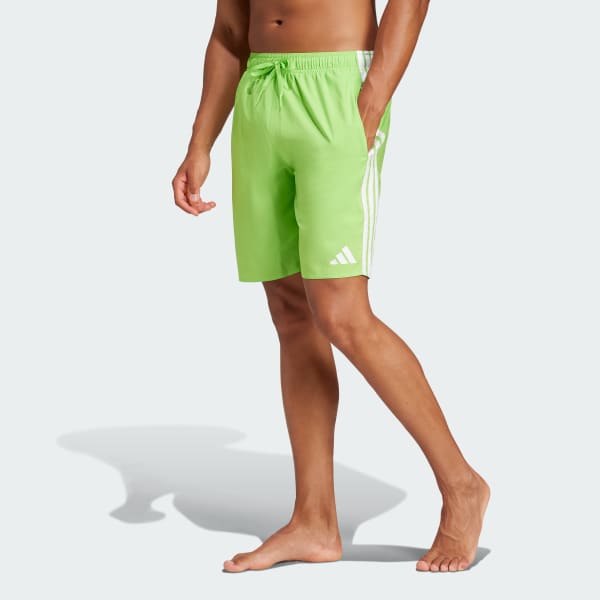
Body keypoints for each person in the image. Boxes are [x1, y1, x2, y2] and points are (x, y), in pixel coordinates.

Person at [172, 0, 490, 574]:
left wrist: (372, 99)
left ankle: (461, 484)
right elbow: (228, 30)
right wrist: (200, 142)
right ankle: (314, 521)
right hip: (261, 92)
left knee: (343, 314)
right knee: (292, 313)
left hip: (337, 87)